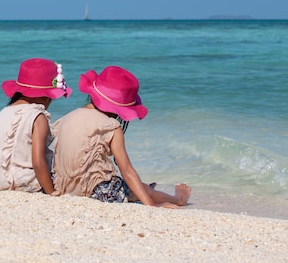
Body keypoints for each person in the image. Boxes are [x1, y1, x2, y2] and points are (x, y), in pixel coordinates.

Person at [51, 65, 191, 208]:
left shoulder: (66, 118)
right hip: (97, 194)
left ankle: (149, 192)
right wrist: (152, 206)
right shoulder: (110, 125)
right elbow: (127, 171)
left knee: (137, 188)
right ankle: (178, 199)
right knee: (142, 189)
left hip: (63, 189)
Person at [0, 58, 72, 194]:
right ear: (47, 96)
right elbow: (38, 161)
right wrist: (51, 193)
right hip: (21, 182)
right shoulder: (38, 116)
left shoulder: (3, 113)